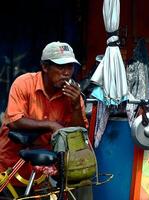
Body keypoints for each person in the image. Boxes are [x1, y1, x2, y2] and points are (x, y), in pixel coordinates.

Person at [0, 41, 89, 196]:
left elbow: (79, 135)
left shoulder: (73, 95)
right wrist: (51, 125)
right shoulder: (24, 83)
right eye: (61, 67)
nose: (67, 73)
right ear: (45, 67)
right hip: (13, 165)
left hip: (49, 166)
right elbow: (14, 121)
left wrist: (75, 107)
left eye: (70, 67)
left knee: (84, 182)